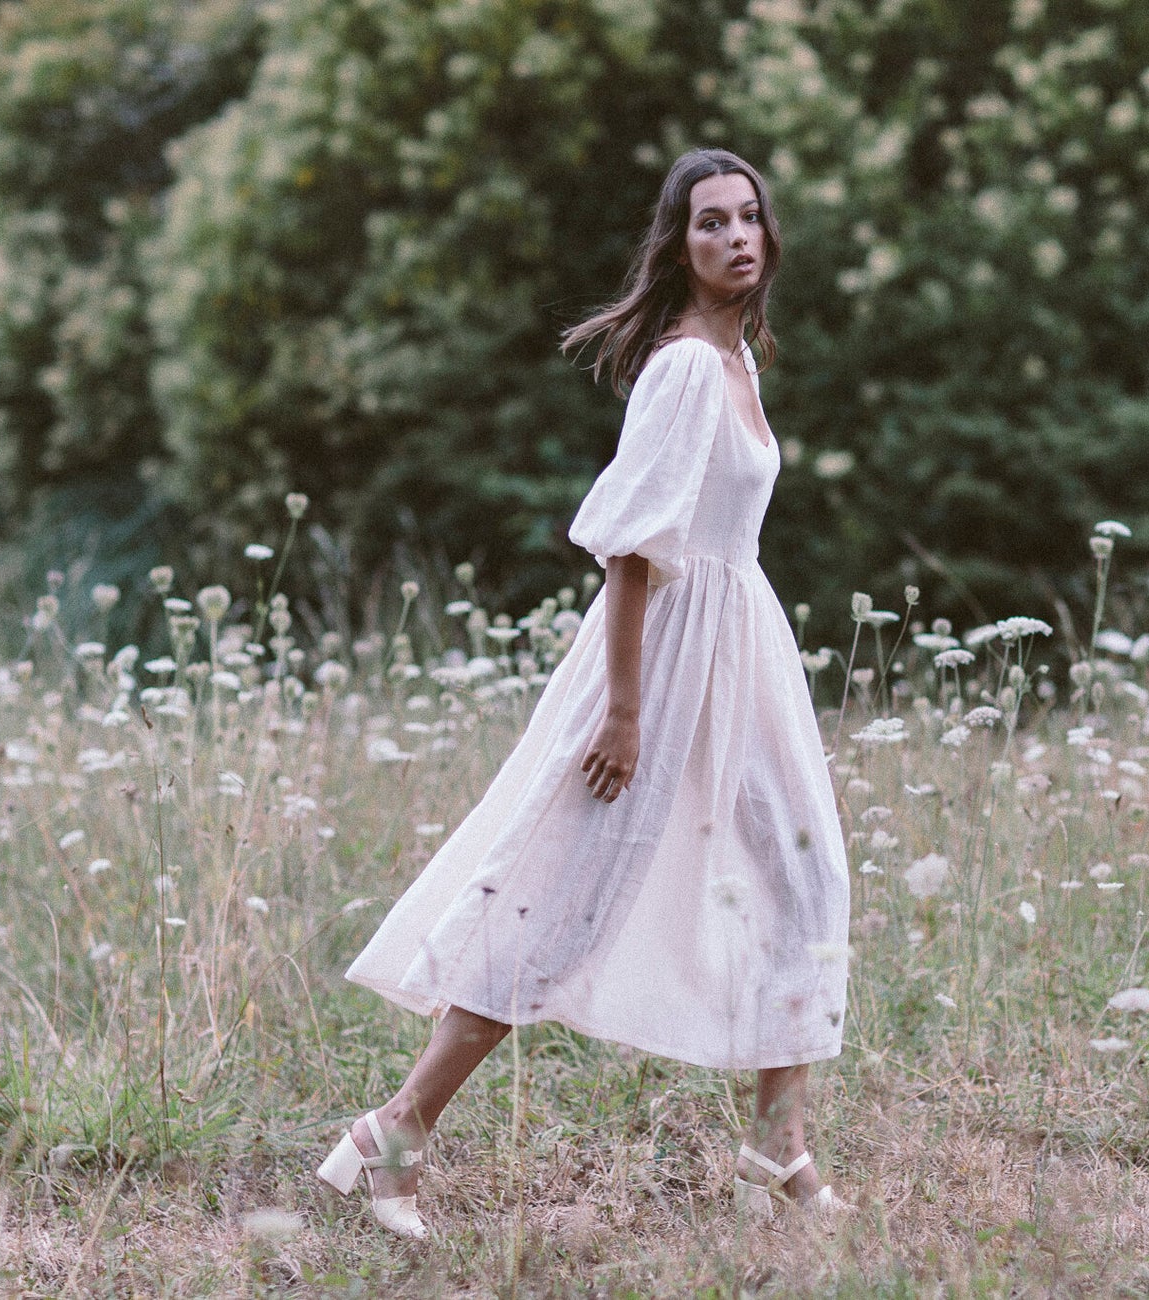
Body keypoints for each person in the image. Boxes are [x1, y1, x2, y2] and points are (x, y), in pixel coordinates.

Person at [316, 147, 853, 1241]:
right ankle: (390, 1137)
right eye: (710, 223)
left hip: (741, 654)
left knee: (808, 878)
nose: (736, 238)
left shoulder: (741, 360)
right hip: (658, 660)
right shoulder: (686, 369)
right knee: (556, 903)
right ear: (678, 243)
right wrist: (621, 708)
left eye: (748, 218)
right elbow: (626, 549)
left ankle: (777, 1138)